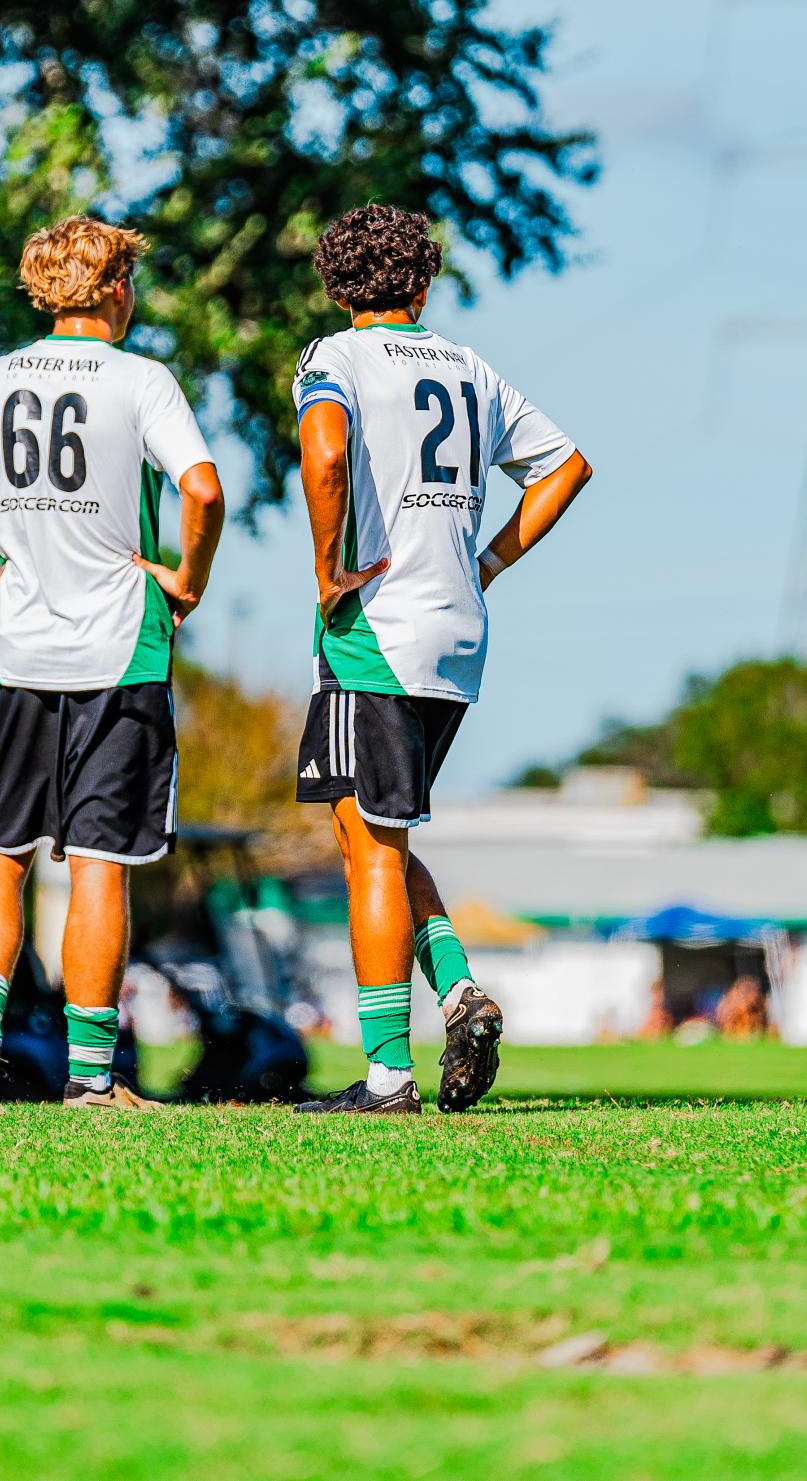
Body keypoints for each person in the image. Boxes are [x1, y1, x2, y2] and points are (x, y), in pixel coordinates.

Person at [0, 216, 224, 1111]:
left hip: (23, 649)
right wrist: (186, 580)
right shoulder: (141, 380)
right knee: (97, 865)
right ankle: (88, 1081)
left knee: (1, 850)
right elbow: (204, 487)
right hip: (119, 650)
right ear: (117, 289)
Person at [291, 205, 591, 1117]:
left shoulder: (332, 357)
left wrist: (325, 565)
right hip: (458, 634)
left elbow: (327, 448)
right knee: (372, 835)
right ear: (422, 283)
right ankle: (459, 993)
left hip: (376, 626)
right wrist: (487, 562)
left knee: (371, 848)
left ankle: (387, 1078)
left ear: (339, 288)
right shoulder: (468, 365)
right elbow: (565, 466)